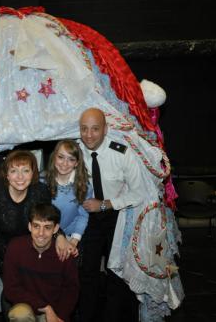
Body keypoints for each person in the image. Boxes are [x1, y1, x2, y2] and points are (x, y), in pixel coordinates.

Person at [77, 108, 142, 322]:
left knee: (117, 274)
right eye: (84, 129)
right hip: (86, 220)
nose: (89, 135)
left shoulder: (121, 153)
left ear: (105, 129)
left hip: (117, 217)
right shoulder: (73, 153)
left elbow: (139, 192)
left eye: (95, 129)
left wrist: (105, 204)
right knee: (88, 273)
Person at [0, 150, 73, 275]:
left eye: (25, 171)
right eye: (14, 171)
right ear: (7, 175)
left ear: (33, 174)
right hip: (4, 255)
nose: (20, 177)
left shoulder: (40, 191)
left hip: (35, 248)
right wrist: (13, 256)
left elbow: (48, 218)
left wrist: (59, 236)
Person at [3, 203, 79, 322]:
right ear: (29, 226)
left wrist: (60, 316)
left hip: (54, 312)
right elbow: (11, 289)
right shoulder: (15, 247)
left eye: (47, 227)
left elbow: (71, 291)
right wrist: (45, 307)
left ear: (56, 228)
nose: (41, 233)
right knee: (19, 314)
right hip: (27, 308)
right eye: (36, 226)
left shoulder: (64, 253)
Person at [45, 140, 92, 250]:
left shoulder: (84, 186)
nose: (65, 163)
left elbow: (83, 215)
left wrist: (74, 240)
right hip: (46, 235)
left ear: (76, 163)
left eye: (71, 159)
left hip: (71, 235)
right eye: (61, 157)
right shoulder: (43, 182)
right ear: (54, 157)